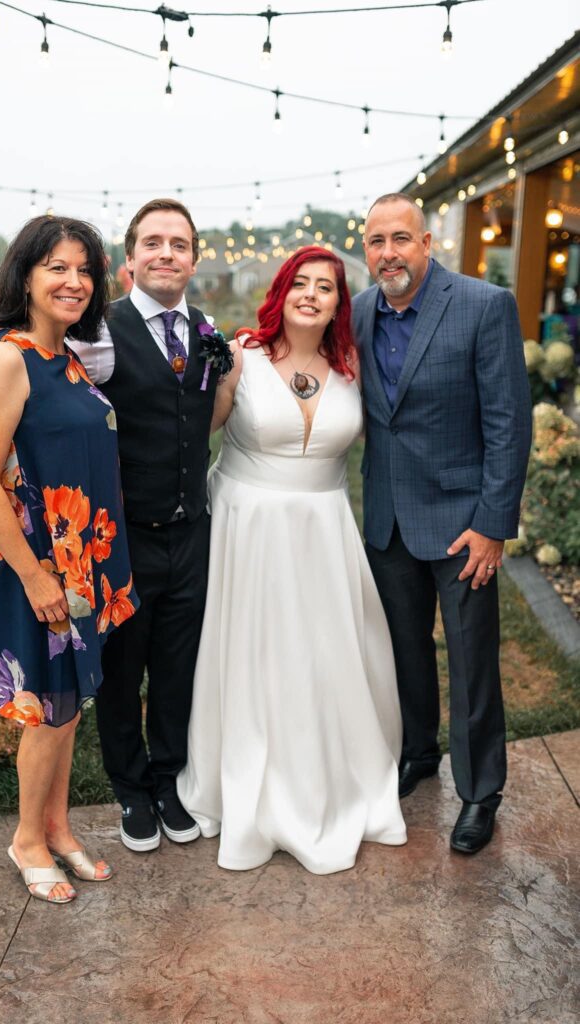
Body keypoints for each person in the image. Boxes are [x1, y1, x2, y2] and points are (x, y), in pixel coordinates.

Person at [177, 246, 407, 875]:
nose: (312, 294)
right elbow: (201, 433)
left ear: (339, 303)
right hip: (247, 527)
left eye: (326, 287)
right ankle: (245, 779)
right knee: (254, 653)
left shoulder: (352, 367)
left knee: (323, 652)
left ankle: (327, 774)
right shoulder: (243, 356)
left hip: (323, 530)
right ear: (281, 291)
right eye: (300, 283)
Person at [0, 215, 139, 904]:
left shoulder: (66, 358)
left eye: (85, 269)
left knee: (70, 702)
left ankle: (58, 827)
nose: (74, 281)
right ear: (27, 277)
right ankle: (26, 840)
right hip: (32, 569)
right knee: (46, 705)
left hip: (80, 565)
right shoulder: (3, 358)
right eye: (57, 267)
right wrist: (37, 578)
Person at [353, 193, 532, 855]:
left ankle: (481, 791)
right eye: (376, 241)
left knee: (472, 661)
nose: (388, 253)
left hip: (463, 525)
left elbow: (508, 424)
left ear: (427, 243)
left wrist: (492, 524)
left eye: (401, 238)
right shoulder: (362, 312)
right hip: (389, 521)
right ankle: (419, 753)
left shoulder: (484, 306)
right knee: (405, 651)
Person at [69, 199, 225, 853]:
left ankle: (168, 781)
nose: (167, 253)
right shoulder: (99, 330)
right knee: (122, 666)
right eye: (153, 242)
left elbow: (206, 418)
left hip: (192, 532)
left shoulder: (207, 331)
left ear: (194, 258)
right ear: (128, 259)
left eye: (180, 244)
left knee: (177, 665)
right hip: (124, 535)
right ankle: (131, 789)